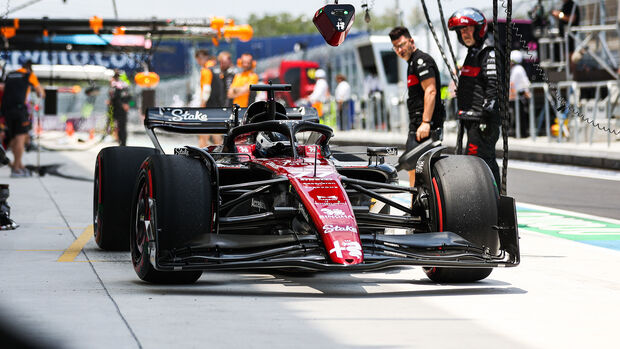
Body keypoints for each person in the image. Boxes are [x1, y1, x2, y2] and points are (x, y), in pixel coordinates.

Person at [448, 7, 502, 185]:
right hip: (471, 119)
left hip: (482, 121)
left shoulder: (488, 52)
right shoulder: (473, 52)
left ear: (479, 29)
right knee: (471, 164)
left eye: (468, 29)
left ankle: (494, 203)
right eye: (462, 31)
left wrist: (486, 117)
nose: (465, 34)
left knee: (480, 164)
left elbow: (493, 87)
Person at [389, 26, 445, 186]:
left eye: (402, 44)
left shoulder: (421, 61)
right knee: (414, 170)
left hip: (425, 127)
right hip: (417, 125)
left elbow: (431, 90)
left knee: (417, 169)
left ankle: (416, 209)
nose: (399, 50)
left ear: (411, 41)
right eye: (396, 47)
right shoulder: (412, 63)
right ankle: (417, 208)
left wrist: (426, 122)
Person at [1, 60, 44, 177]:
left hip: (7, 111)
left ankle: (19, 165)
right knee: (21, 139)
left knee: (15, 139)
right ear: (30, 68)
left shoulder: (11, 75)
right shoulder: (29, 75)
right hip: (20, 111)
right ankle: (16, 169)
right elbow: (41, 93)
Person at [195, 49, 225, 147]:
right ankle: (222, 154)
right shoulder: (216, 68)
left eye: (198, 60)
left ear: (200, 59)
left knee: (203, 133)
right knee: (216, 132)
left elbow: (207, 88)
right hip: (217, 104)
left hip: (208, 105)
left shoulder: (206, 70)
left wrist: (203, 103)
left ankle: (201, 153)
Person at [551, 0, 580, 71]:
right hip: (564, 36)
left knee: (570, 56)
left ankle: (572, 74)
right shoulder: (564, 5)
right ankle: (568, 72)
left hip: (569, 36)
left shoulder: (572, 5)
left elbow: (572, 19)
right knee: (565, 55)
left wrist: (559, 15)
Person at [509, 51, 531, 137]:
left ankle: (522, 133)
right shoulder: (516, 69)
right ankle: (519, 132)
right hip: (517, 95)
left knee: (521, 116)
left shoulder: (517, 69)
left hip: (520, 95)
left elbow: (513, 84)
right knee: (518, 115)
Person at [108, 71, 130, 146]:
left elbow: (129, 99)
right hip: (115, 109)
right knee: (115, 126)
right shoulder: (114, 86)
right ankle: (119, 141)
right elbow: (114, 97)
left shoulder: (122, 85)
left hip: (121, 110)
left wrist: (127, 104)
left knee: (122, 127)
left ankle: (122, 142)